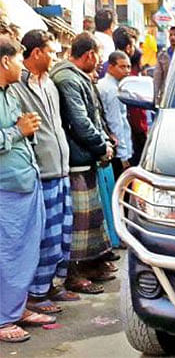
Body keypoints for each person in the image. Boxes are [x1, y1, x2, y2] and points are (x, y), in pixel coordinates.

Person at [8, 30, 80, 315]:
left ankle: (52, 285)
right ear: (36, 52)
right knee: (44, 237)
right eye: (51, 51)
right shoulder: (16, 87)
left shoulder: (49, 83)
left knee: (62, 234)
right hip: (41, 172)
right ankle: (36, 294)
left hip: (61, 168)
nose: (55, 56)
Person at [0, 35, 56, 344]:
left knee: (24, 253)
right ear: (5, 61)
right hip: (5, 188)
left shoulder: (10, 93)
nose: (23, 66)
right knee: (7, 255)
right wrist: (16, 131)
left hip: (25, 182)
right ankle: (3, 318)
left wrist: (25, 131)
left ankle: (15, 308)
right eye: (20, 59)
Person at [51, 32, 115, 295]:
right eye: (98, 55)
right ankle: (73, 274)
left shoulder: (75, 77)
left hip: (84, 157)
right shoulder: (67, 79)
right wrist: (102, 146)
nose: (99, 61)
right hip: (76, 159)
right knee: (79, 220)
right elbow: (80, 122)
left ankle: (89, 266)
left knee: (90, 219)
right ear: (89, 54)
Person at [97, 51, 133, 179]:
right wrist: (124, 156)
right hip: (116, 148)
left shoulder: (104, 84)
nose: (127, 70)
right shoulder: (112, 89)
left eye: (128, 66)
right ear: (111, 67)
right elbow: (116, 122)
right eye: (122, 67)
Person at [153, 25, 175, 101]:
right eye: (170, 35)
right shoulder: (163, 55)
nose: (173, 37)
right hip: (167, 94)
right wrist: (155, 97)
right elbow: (157, 77)